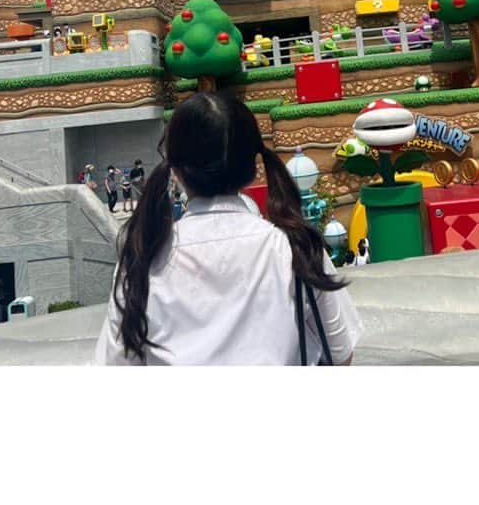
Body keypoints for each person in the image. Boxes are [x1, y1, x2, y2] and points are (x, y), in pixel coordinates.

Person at [93, 92, 362, 365]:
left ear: (175, 169)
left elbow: (116, 363)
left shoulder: (143, 256)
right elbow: (340, 353)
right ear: (253, 166)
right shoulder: (296, 248)